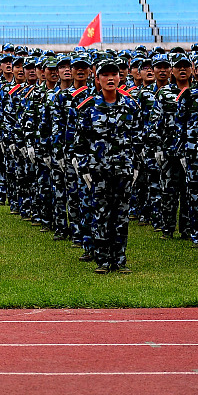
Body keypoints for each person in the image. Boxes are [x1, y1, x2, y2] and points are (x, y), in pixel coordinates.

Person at [74, 59, 140, 273]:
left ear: (121, 78)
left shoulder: (131, 106)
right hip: (98, 171)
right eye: (105, 75)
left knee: (121, 216)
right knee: (100, 214)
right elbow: (80, 142)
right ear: (97, 79)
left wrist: (136, 165)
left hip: (123, 170)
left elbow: (138, 139)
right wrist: (84, 168)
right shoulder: (88, 107)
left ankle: (119, 259)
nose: (110, 78)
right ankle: (102, 259)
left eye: (114, 74)